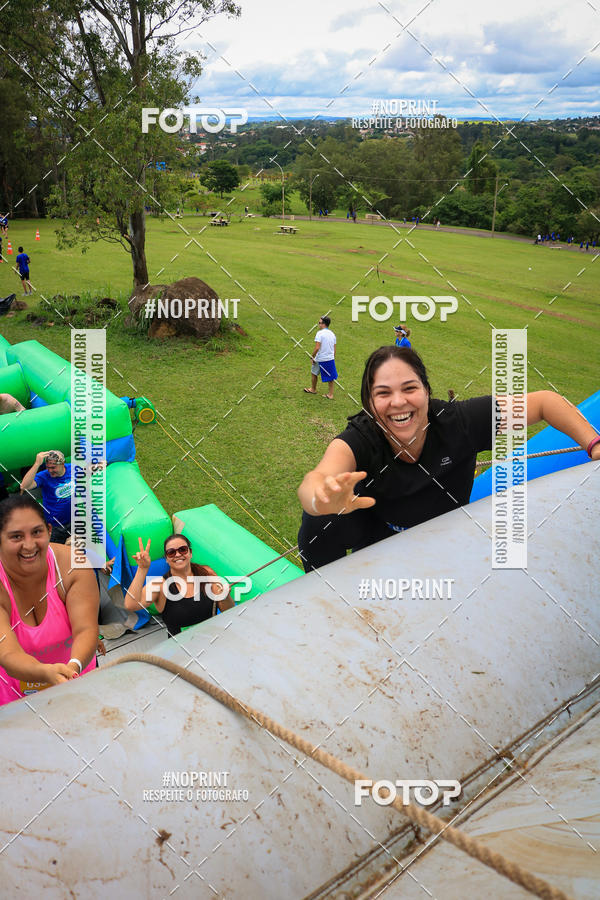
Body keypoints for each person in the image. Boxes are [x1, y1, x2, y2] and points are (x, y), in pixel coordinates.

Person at [297, 345, 600, 572]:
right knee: (318, 521)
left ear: (427, 392)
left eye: (410, 388)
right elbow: (319, 476)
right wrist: (320, 498)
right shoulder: (362, 437)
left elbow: (545, 403)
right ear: (369, 404)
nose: (398, 402)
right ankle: (319, 598)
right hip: (380, 537)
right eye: (383, 393)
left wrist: (594, 444)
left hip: (447, 539)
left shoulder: (459, 422)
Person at [0, 495, 98, 706]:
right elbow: (7, 653)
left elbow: (86, 629)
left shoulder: (74, 563)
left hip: (77, 678)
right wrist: (46, 672)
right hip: (16, 701)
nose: (29, 545)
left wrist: (73, 668)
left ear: (50, 531)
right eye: (16, 537)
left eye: (37, 532)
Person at [125, 534, 234, 637]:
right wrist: (142, 569)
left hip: (213, 639)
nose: (177, 554)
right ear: (166, 559)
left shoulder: (206, 573)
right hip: (181, 650)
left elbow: (228, 610)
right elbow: (131, 605)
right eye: (171, 552)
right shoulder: (160, 586)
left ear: (190, 553)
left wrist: (225, 596)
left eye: (182, 549)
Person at [20, 450, 73, 544]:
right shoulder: (44, 476)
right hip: (55, 525)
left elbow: (87, 471)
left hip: (75, 520)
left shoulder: (73, 469)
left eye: (53, 467)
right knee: (56, 551)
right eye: (48, 467)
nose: (50, 471)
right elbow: (24, 486)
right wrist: (37, 464)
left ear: (63, 463)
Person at [304, 315, 337, 400]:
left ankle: (313, 389)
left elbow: (317, 347)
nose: (318, 324)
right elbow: (334, 349)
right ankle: (330, 394)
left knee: (314, 373)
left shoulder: (320, 333)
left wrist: (312, 357)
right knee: (331, 377)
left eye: (319, 323)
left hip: (320, 358)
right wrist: (332, 358)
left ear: (324, 324)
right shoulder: (332, 334)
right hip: (330, 359)